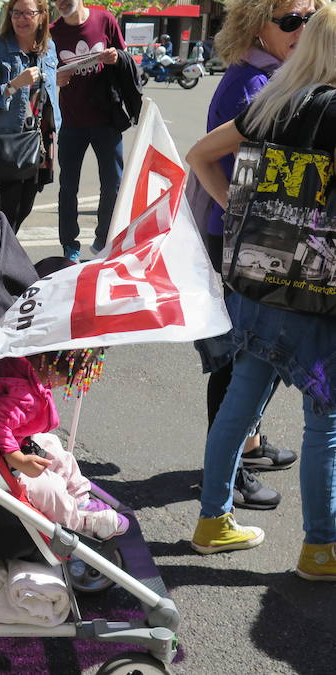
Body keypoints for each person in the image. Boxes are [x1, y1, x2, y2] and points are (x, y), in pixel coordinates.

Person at [185, 5, 336, 583]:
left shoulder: (273, 102)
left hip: (258, 280)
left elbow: (200, 155)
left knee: (240, 402)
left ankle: (212, 522)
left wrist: (242, 216)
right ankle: (320, 548)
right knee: (323, 420)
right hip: (317, 297)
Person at [0, 349, 129, 540]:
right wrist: (18, 459)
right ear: (54, 372)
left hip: (11, 438)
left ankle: (81, 499)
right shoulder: (25, 397)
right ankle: (79, 523)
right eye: (68, 379)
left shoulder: (17, 361)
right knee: (51, 488)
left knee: (54, 446)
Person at [50, 0, 126, 262]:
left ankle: (104, 238)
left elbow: (125, 60)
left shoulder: (105, 20)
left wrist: (116, 58)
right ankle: (69, 246)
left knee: (113, 185)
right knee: (68, 187)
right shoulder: (53, 31)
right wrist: (55, 78)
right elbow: (46, 73)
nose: (59, 2)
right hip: (71, 122)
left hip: (107, 119)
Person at [0, 0, 60, 233]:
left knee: (25, 207)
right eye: (16, 13)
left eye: (27, 13)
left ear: (42, 16)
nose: (20, 18)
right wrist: (14, 85)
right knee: (10, 211)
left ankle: (2, 258)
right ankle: (1, 262)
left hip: (41, 139)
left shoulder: (49, 49)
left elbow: (51, 94)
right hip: (9, 139)